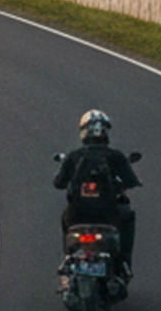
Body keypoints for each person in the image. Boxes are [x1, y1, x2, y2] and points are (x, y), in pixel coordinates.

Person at [53, 109, 141, 278]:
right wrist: (119, 187)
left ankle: (67, 258)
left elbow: (59, 183)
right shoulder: (115, 156)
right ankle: (123, 264)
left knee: (65, 218)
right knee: (128, 217)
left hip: (77, 215)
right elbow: (131, 181)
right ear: (105, 131)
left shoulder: (74, 156)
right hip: (108, 215)